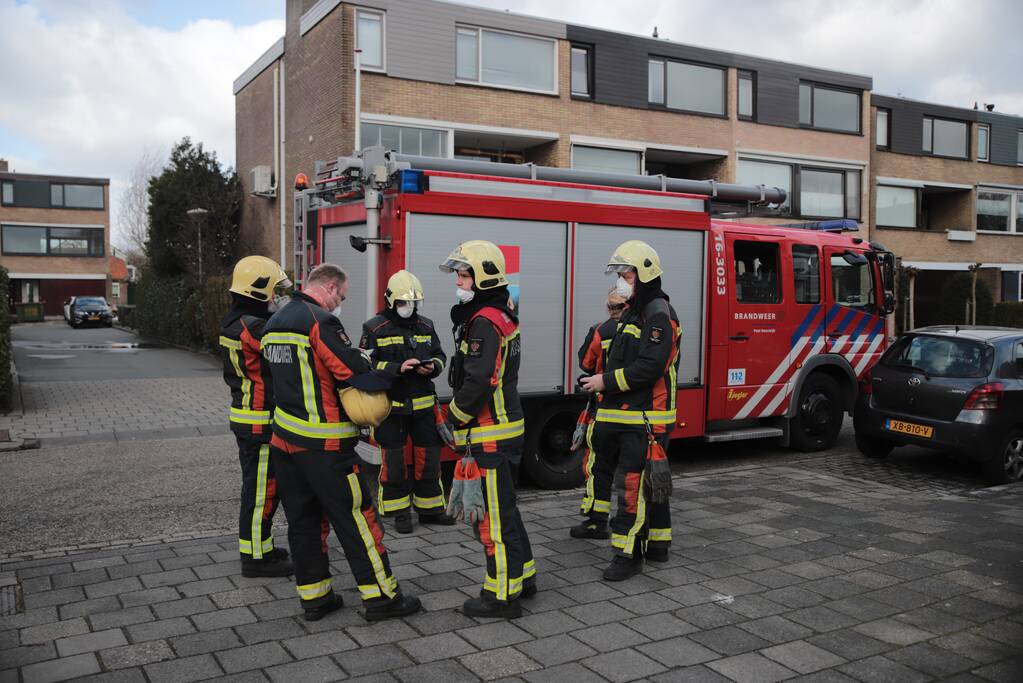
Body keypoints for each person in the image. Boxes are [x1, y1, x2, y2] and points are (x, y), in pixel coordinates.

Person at [262, 263, 421, 622]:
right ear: (331, 287)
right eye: (342, 297)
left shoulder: (273, 324)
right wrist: (394, 371)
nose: (340, 304)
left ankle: (315, 599)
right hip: (326, 447)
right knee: (357, 520)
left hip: (285, 443)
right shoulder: (319, 321)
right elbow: (352, 371)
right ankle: (381, 598)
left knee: (303, 523)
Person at [440, 240, 535, 618]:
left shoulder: (484, 322)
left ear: (482, 278)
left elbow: (479, 381)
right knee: (507, 511)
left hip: (489, 434)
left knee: (493, 519)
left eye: (464, 275)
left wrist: (452, 418)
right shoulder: (500, 315)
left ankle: (501, 597)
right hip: (504, 428)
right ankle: (523, 577)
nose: (459, 282)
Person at [579, 240, 680, 581]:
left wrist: (604, 382)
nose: (621, 280)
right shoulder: (638, 311)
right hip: (632, 415)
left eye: (625, 273)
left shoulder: (657, 315)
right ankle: (656, 546)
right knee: (650, 485)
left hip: (646, 418)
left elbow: (649, 367)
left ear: (643, 274)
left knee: (633, 488)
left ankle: (627, 555)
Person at [361, 270, 454, 533]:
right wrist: (396, 368)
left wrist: (432, 367)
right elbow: (365, 362)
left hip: (424, 406)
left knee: (429, 459)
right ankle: (399, 512)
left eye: (412, 303)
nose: (408, 308)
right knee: (394, 461)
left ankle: (430, 509)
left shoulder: (426, 325)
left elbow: (440, 356)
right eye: (403, 302)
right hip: (392, 407)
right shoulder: (374, 327)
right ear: (391, 301)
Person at [220, 256, 294, 578]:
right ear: (259, 289)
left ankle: (260, 546)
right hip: (258, 421)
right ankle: (255, 558)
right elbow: (281, 347)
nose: (278, 297)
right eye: (275, 291)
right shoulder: (253, 327)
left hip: (249, 417)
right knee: (261, 491)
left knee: (261, 487)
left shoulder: (235, 321)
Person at [570, 287, 627, 540]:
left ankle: (596, 521)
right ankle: (628, 519)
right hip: (634, 409)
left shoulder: (601, 330)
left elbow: (586, 363)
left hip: (604, 408)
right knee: (630, 469)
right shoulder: (644, 329)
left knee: (597, 466)